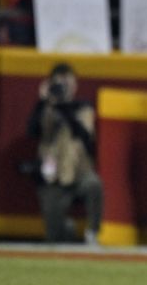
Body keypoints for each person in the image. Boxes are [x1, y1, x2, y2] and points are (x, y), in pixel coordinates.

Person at [28, 63, 104, 244]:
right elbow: (31, 131)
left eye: (67, 84)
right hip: (53, 176)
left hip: (79, 171)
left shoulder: (83, 107)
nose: (63, 89)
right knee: (54, 237)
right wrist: (43, 101)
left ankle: (93, 233)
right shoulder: (46, 108)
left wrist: (63, 105)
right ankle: (67, 230)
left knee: (94, 185)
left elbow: (84, 135)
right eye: (59, 84)